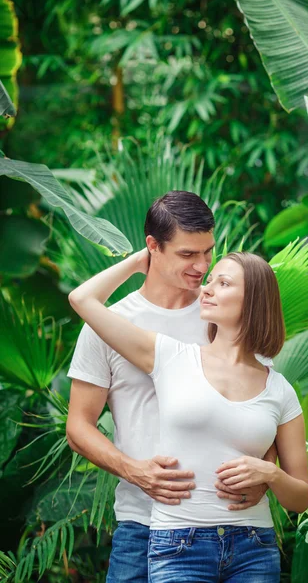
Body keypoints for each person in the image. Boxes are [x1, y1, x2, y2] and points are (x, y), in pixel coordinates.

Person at [66, 191, 277, 583]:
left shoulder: (226, 313)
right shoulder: (108, 324)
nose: (201, 266)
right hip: (140, 523)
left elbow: (267, 405)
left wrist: (266, 475)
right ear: (152, 247)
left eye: (208, 252)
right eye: (187, 255)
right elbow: (78, 427)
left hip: (230, 526)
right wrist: (134, 471)